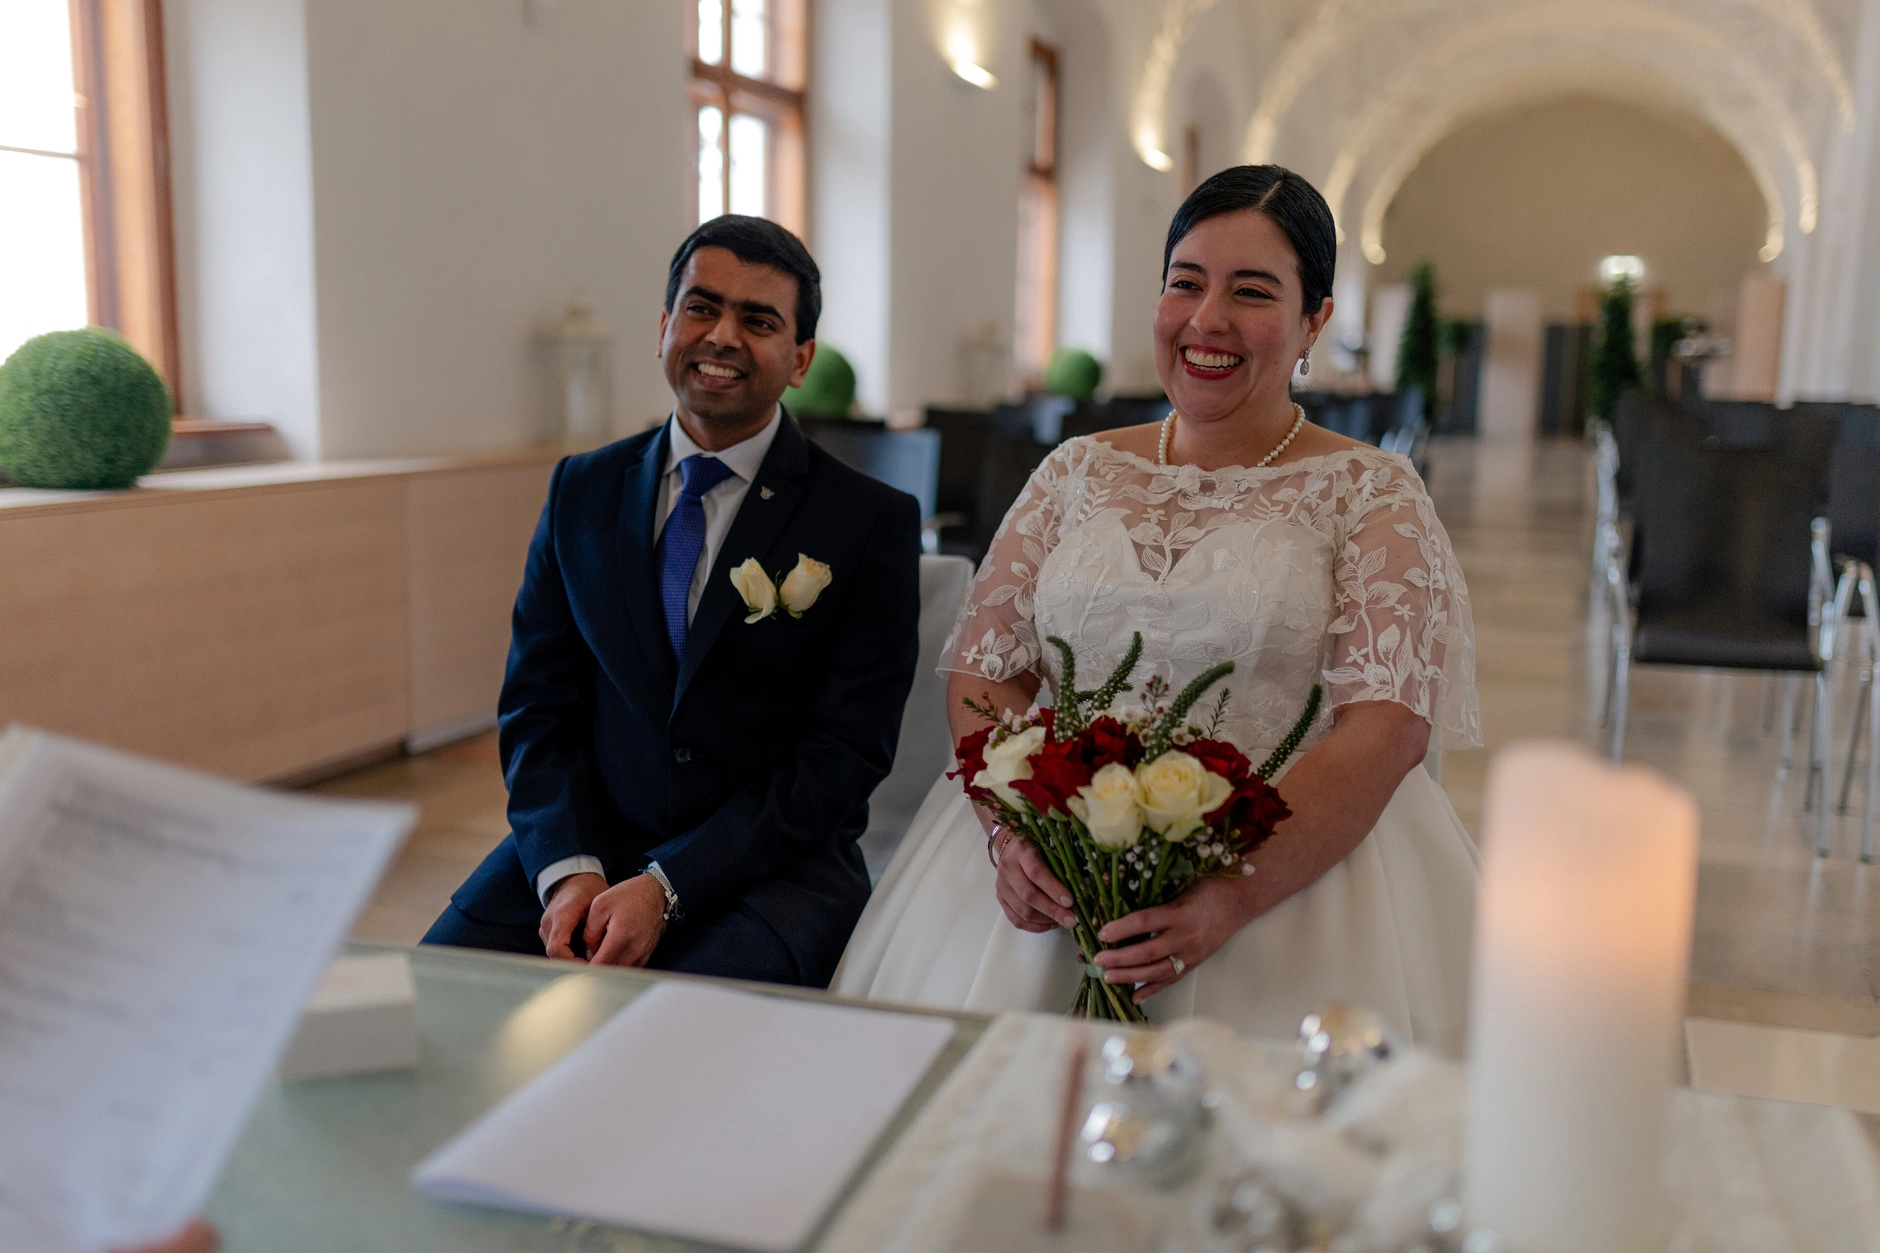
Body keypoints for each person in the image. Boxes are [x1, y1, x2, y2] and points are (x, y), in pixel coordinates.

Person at [834, 166, 1482, 1054]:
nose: (1207, 320)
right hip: (1050, 863)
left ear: (1314, 320)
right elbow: (989, 670)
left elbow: (1387, 727)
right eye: (1186, 281)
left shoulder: (1372, 492)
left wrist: (1234, 893)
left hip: (1294, 877)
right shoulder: (1074, 471)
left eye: (1251, 292)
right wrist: (1014, 838)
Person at [425, 216, 923, 987]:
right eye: (701, 307)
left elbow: (840, 759)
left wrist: (669, 885)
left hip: (770, 871)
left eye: (758, 320)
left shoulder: (867, 522)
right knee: (433, 996)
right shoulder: (581, 490)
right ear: (664, 328)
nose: (721, 335)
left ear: (800, 359)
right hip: (590, 848)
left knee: (662, 1044)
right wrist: (568, 868)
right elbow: (537, 707)